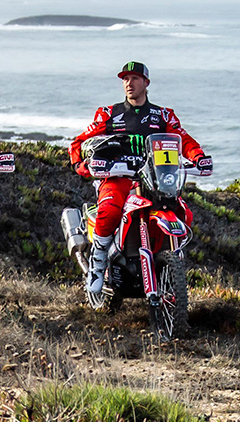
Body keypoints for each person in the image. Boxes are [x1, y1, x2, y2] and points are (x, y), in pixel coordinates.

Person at [69, 61, 213, 295]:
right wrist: (81, 163)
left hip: (154, 179)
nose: (129, 83)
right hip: (117, 177)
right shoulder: (108, 113)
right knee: (110, 210)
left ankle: (170, 263)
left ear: (146, 82)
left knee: (183, 212)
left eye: (134, 78)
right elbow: (81, 141)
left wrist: (198, 158)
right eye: (125, 79)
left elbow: (184, 139)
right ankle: (98, 261)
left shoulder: (163, 115)